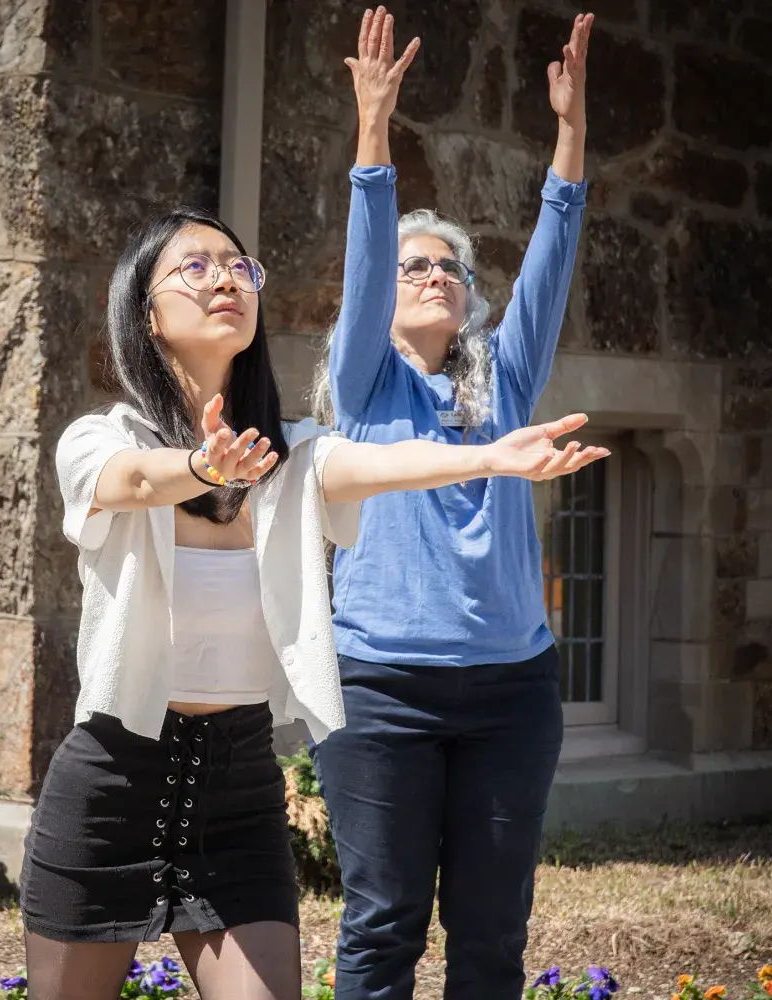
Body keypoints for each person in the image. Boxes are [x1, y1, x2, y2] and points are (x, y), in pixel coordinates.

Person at [19, 200, 606, 1000]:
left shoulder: (293, 454)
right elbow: (125, 484)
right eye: (195, 266)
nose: (224, 278)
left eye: (238, 267)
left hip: (238, 789)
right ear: (147, 315)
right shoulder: (100, 437)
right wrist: (204, 470)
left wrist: (493, 458)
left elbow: (384, 464)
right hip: (113, 785)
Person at [311, 7, 596, 1000]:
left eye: (452, 269)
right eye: (415, 266)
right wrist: (373, 132)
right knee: (382, 925)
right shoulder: (366, 385)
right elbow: (359, 269)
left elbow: (552, 264)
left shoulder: (502, 381)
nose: (436, 276)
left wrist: (568, 135)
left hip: (511, 695)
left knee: (490, 937)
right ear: (384, 299)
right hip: (380, 691)